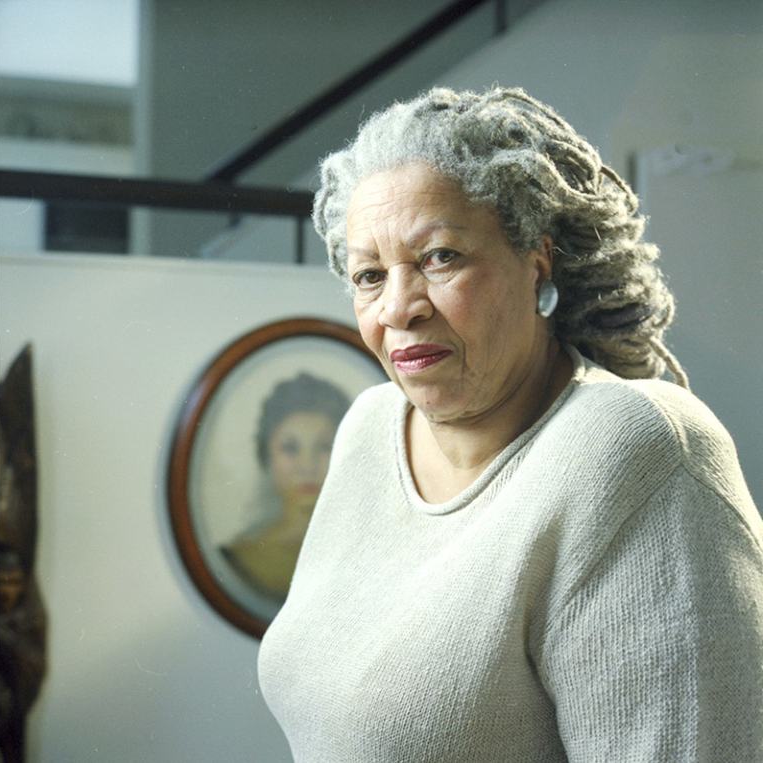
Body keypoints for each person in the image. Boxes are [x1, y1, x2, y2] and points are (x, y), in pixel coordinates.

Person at [257, 87, 763, 761]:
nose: (400, 307)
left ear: (537, 265)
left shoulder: (635, 451)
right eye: (370, 275)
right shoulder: (368, 428)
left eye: (441, 257)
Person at [221, 372, 350, 603]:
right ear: (267, 456)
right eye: (290, 448)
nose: (307, 467)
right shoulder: (234, 563)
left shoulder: (366, 553)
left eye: (324, 446)